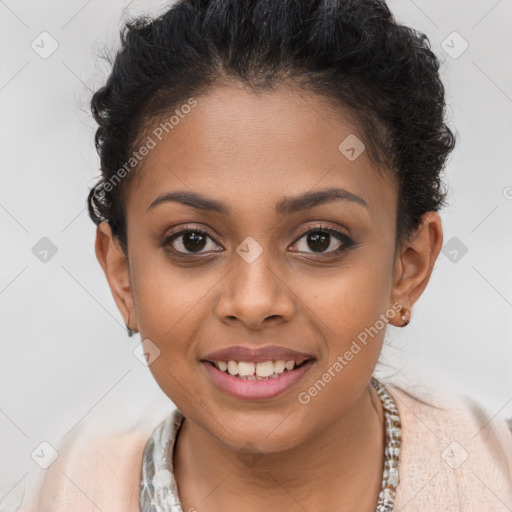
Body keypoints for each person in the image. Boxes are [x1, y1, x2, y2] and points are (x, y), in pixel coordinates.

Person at [14, 0, 512, 510]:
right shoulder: (66, 489)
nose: (253, 303)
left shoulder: (494, 480)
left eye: (320, 240)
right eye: (193, 240)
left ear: (408, 267)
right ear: (123, 276)